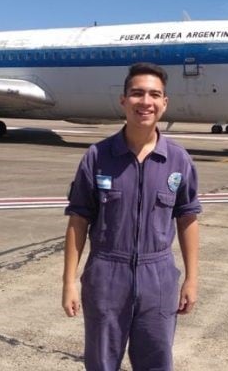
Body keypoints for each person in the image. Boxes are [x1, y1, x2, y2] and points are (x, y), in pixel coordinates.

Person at [62, 62, 201, 370]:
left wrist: (192, 278)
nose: (145, 101)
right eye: (137, 93)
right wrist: (69, 281)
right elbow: (78, 221)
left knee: (157, 360)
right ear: (123, 100)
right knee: (101, 362)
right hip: (106, 276)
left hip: (159, 277)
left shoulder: (178, 160)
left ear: (164, 103)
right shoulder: (97, 157)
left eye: (154, 94)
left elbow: (187, 218)